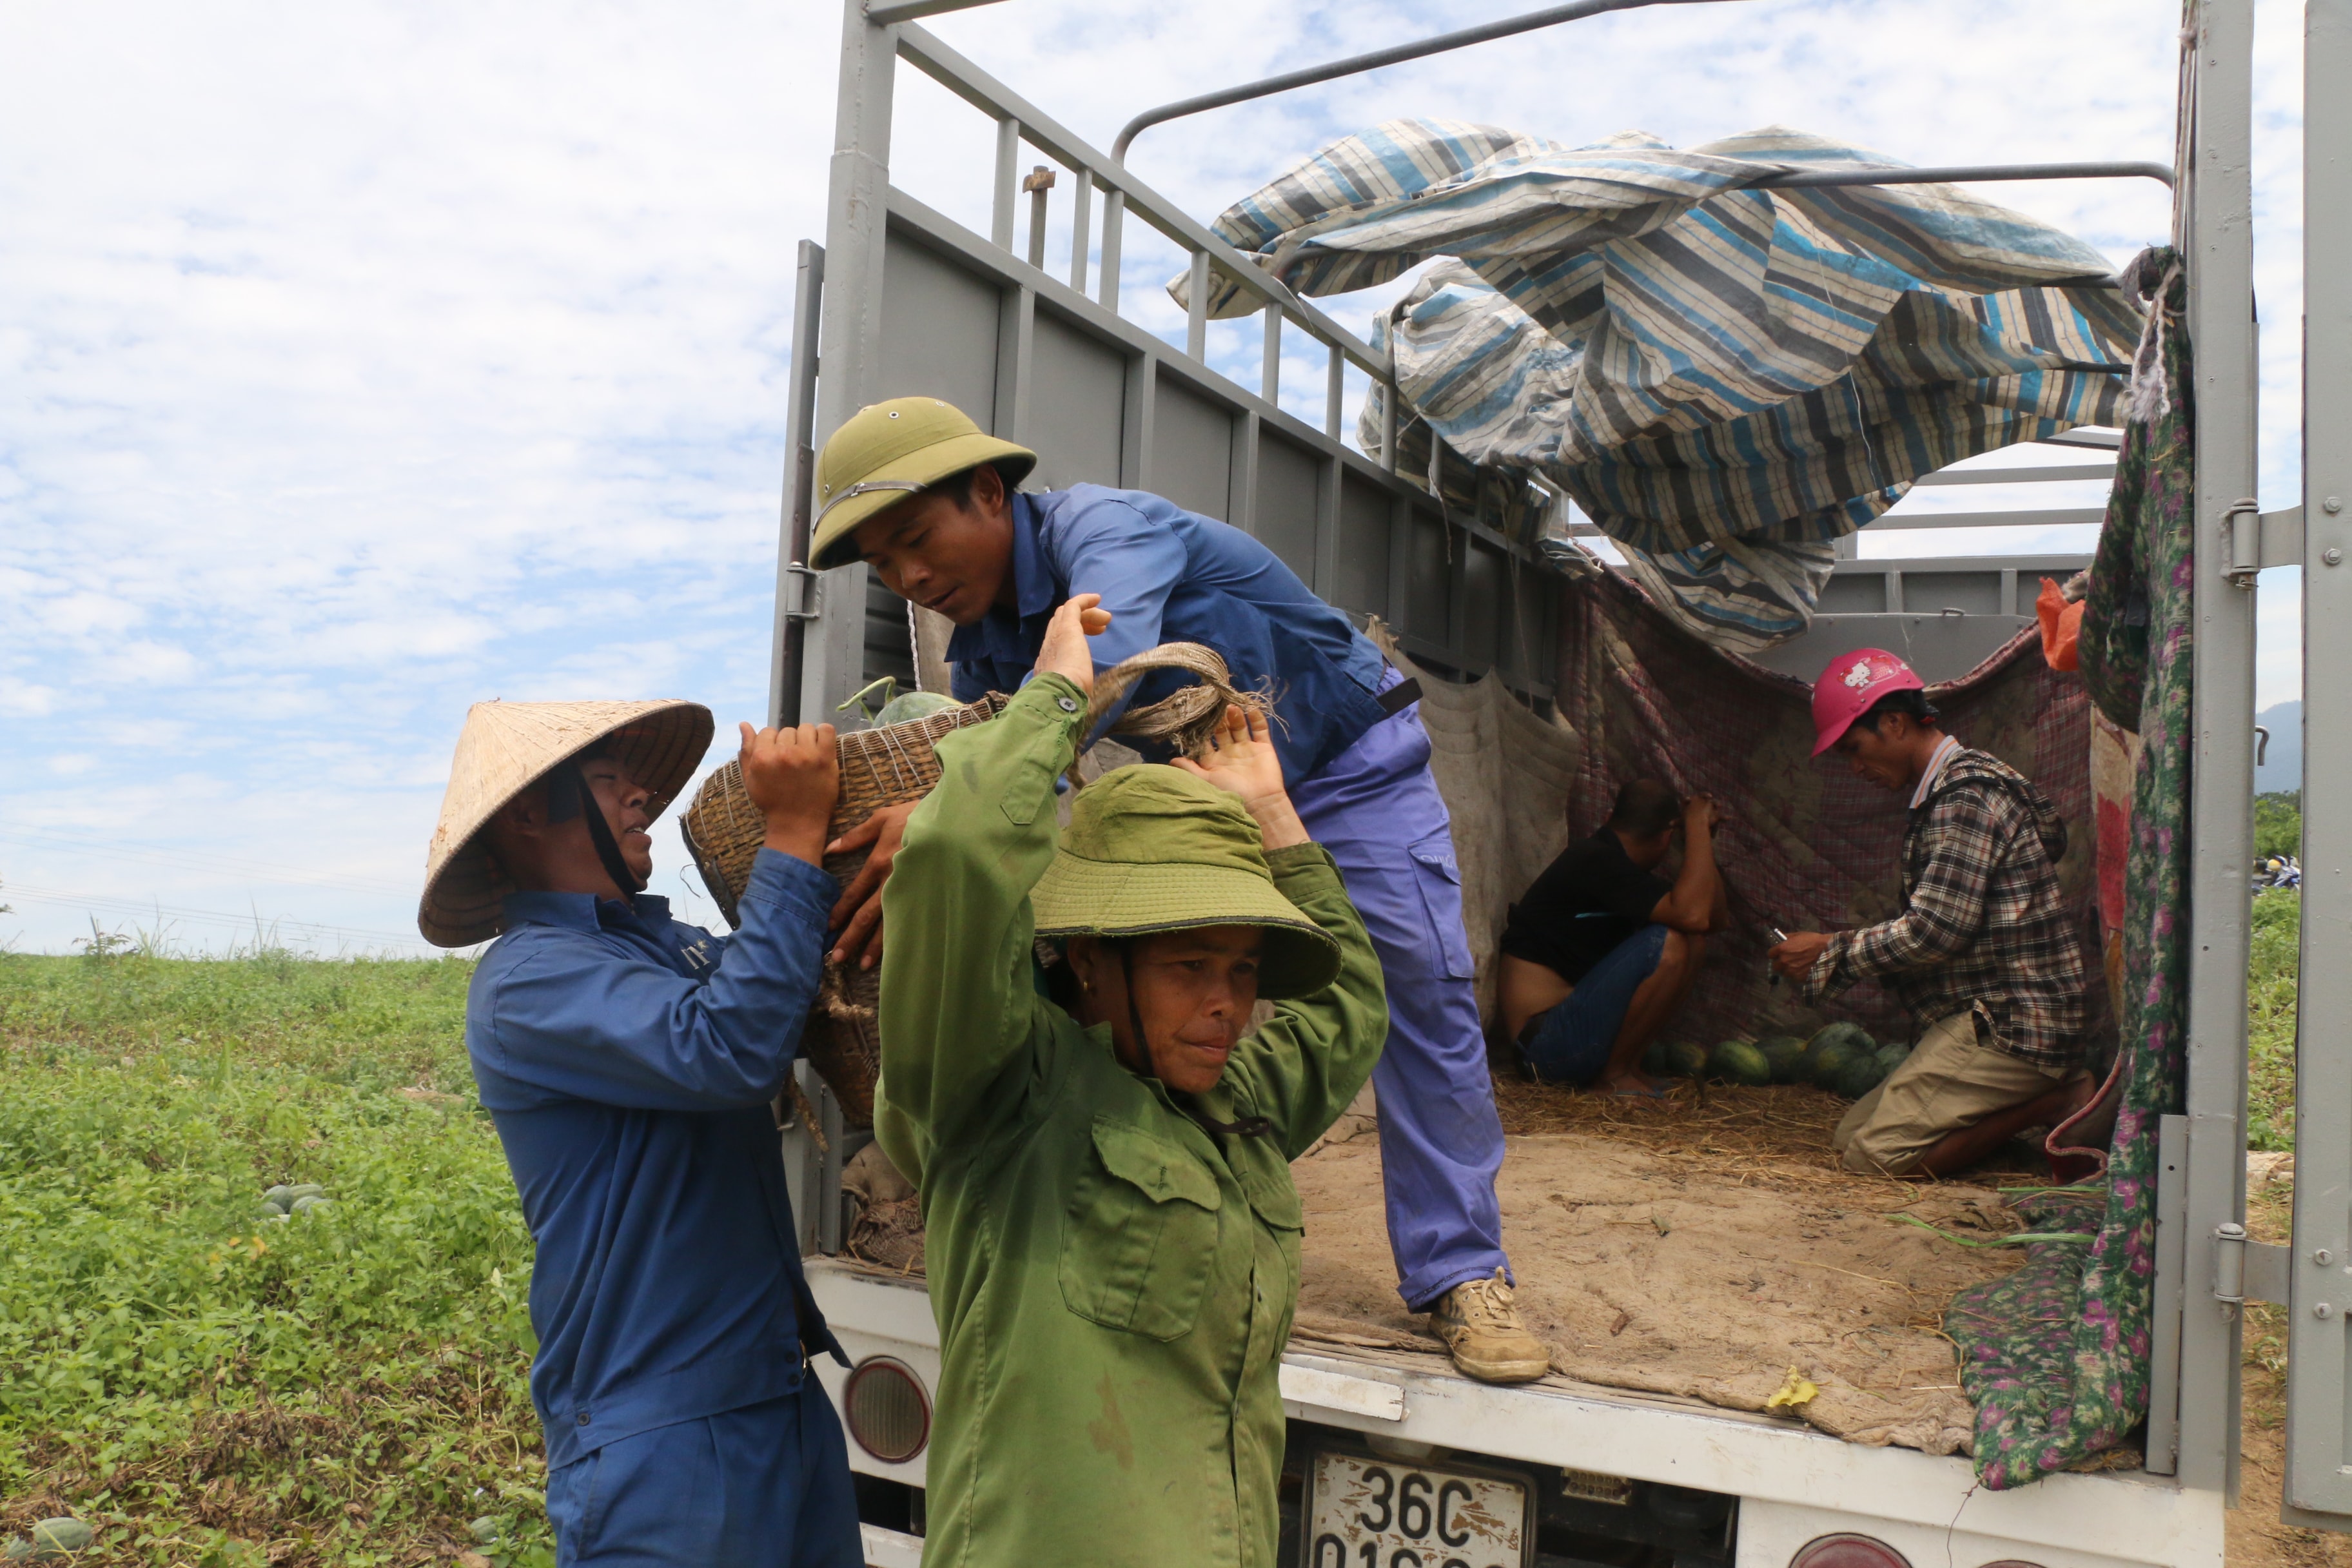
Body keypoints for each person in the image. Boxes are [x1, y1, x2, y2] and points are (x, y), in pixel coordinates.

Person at [808, 395, 1549, 1383]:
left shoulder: (1109, 532)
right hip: (1197, 795)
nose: (910, 578)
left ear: (990, 494)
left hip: (1344, 768)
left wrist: (947, 799)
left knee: (1415, 989)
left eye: (914, 540)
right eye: (885, 568)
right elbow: (1024, 779)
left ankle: (1463, 1273)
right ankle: (1135, 1220)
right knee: (1089, 977)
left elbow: (1100, 673)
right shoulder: (987, 639)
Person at [872, 594, 1389, 1568]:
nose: (1229, 1005)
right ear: (1090, 962)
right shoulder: (1003, 1098)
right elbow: (957, 853)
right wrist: (1054, 698)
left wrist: (1274, 815)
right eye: (1190, 967)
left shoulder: (1235, 1114)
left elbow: (1349, 1009)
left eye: (1243, 970)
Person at [417, 700, 861, 1567]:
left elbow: (780, 988)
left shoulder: (663, 949)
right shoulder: (530, 981)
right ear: (530, 813)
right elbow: (733, 1047)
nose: (642, 798)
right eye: (614, 780)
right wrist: (795, 828)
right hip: (660, 1433)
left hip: (777, 1391)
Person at [1768, 650, 2092, 1179]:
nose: (1856, 768)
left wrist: (1831, 950)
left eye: (1855, 748)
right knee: (1848, 1136)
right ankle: (2021, 1124)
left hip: (2013, 1026)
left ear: (1894, 722)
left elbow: (1936, 932)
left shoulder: (1964, 797)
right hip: (1987, 1018)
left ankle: (2055, 1103)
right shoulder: (1954, 791)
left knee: (1874, 1159)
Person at [1495, 779, 1725, 1093]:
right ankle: (1613, 1077)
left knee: (1691, 942)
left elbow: (1708, 920)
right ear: (1667, 837)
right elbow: (1693, 915)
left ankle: (1628, 1068)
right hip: (1545, 1051)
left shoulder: (1621, 872)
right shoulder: (1593, 859)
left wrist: (1702, 841)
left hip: (1572, 1040)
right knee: (1670, 941)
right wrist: (1697, 826)